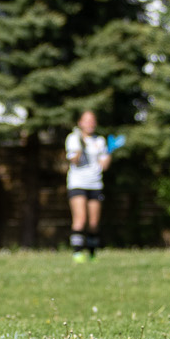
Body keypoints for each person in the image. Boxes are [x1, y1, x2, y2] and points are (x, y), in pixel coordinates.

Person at [65, 110, 108, 261]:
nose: (90, 123)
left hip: (95, 184)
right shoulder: (73, 138)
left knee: (94, 222)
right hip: (78, 183)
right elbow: (74, 161)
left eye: (92, 120)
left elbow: (104, 165)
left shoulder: (100, 141)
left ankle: (92, 254)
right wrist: (79, 148)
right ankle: (77, 253)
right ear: (80, 123)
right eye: (87, 120)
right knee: (80, 219)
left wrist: (109, 151)